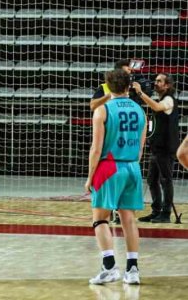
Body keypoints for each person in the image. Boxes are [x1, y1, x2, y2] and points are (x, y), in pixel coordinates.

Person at [84, 68, 146, 286]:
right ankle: (133, 270)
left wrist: (90, 176)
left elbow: (96, 148)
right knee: (128, 219)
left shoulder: (103, 110)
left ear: (108, 87)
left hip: (108, 166)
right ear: (128, 87)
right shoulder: (140, 110)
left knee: (100, 218)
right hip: (132, 167)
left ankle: (109, 266)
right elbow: (140, 149)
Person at [132, 74, 180, 223]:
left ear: (167, 85)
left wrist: (141, 93)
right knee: (152, 179)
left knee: (166, 180)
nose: (156, 83)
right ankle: (156, 211)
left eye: (159, 81)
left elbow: (157, 107)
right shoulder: (161, 98)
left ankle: (166, 214)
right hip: (157, 147)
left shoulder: (169, 99)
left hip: (166, 148)